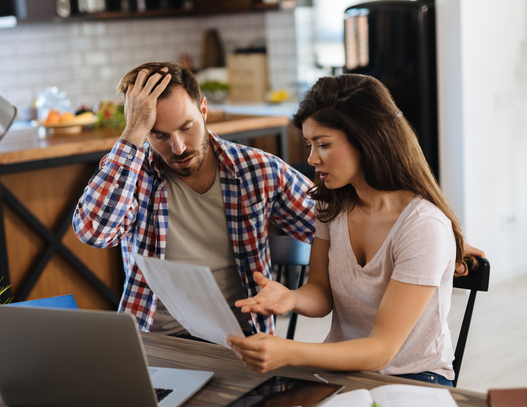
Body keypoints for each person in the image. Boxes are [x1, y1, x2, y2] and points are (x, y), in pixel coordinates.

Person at [227, 73, 485, 386]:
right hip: (343, 371)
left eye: (323, 144)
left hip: (412, 378)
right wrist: (291, 298)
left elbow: (381, 351)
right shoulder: (331, 205)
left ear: (367, 139)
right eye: (309, 144)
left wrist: (290, 351)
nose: (311, 158)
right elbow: (321, 293)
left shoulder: (423, 227)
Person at [72, 62, 315, 336]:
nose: (178, 147)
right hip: (155, 343)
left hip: (239, 341)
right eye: (159, 134)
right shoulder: (133, 175)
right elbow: (94, 232)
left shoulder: (258, 170)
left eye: (186, 127)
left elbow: (334, 229)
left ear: (203, 109)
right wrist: (132, 135)